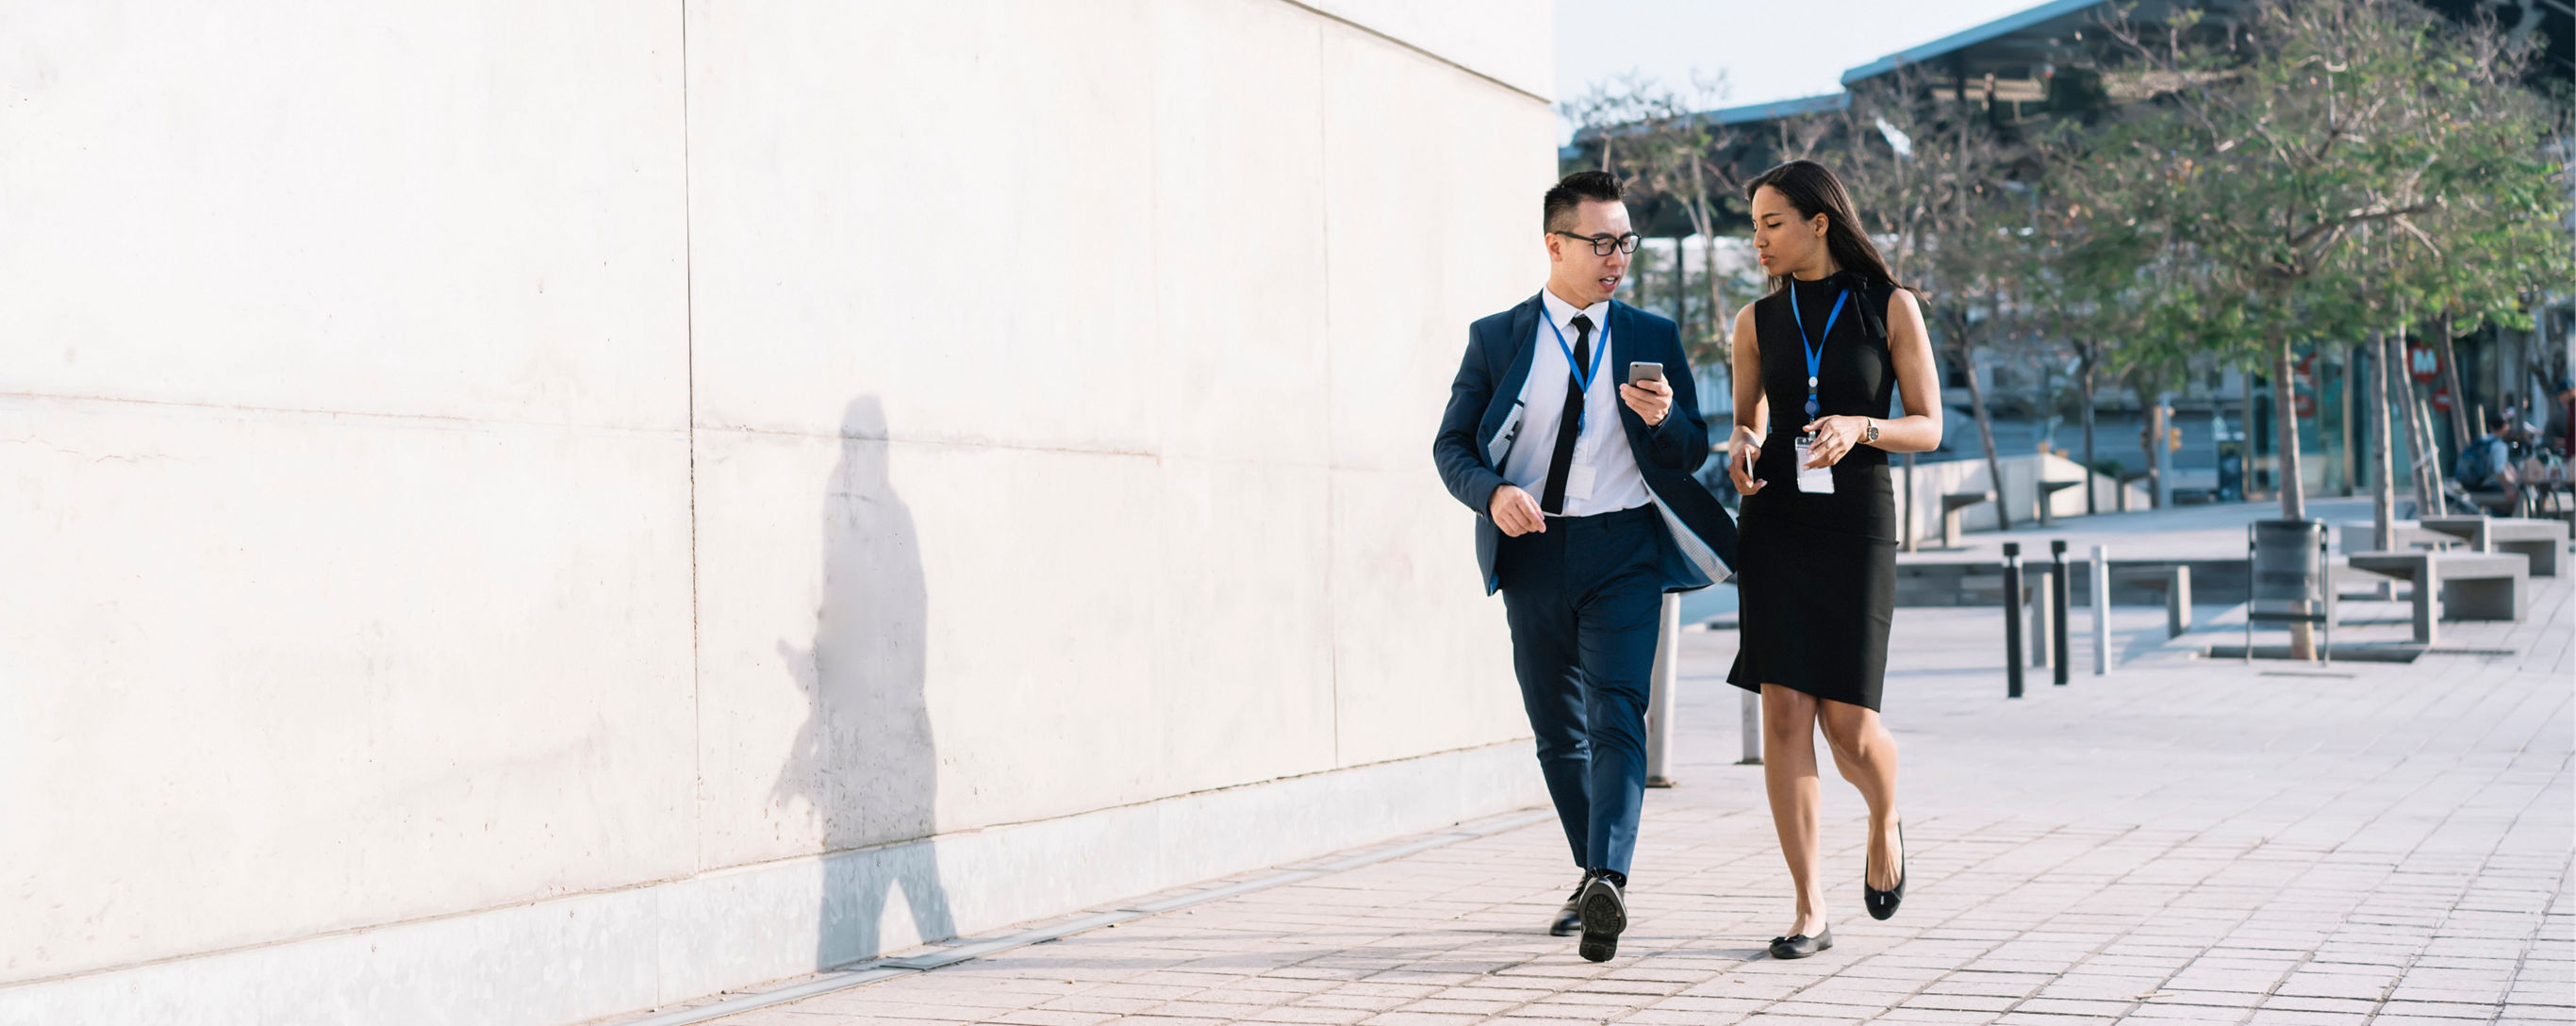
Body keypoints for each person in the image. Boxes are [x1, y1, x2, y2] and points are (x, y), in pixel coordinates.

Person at [1432, 170, 1740, 964]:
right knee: (1557, 733)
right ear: (1555, 244)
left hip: (1625, 549)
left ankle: (1610, 875)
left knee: (1617, 714)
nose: (1617, 258)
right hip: (1533, 547)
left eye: (1626, 242)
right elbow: (1451, 446)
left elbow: (1689, 452)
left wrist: (1668, 418)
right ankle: (1590, 871)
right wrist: (1492, 494)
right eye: (1601, 242)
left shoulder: (1650, 334)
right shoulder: (1497, 338)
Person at [1724, 160, 1943, 961]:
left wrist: (1862, 427)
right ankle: (1808, 906)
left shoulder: (1890, 305)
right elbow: (1748, 420)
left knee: (1849, 728)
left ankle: (1885, 820)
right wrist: (1742, 444)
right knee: (1783, 711)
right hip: (1777, 519)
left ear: (1820, 221)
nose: (1759, 241)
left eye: (1772, 223)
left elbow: (1929, 425)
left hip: (1855, 523)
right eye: (1753, 226)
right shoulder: (1753, 321)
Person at [2455, 411, 2521, 514]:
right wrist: (2508, 490)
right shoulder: (2500, 446)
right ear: (2505, 427)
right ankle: (2503, 520)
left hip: (2467, 484)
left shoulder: (2481, 440)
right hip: (2482, 486)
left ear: (2490, 427)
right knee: (2516, 494)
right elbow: (2499, 471)